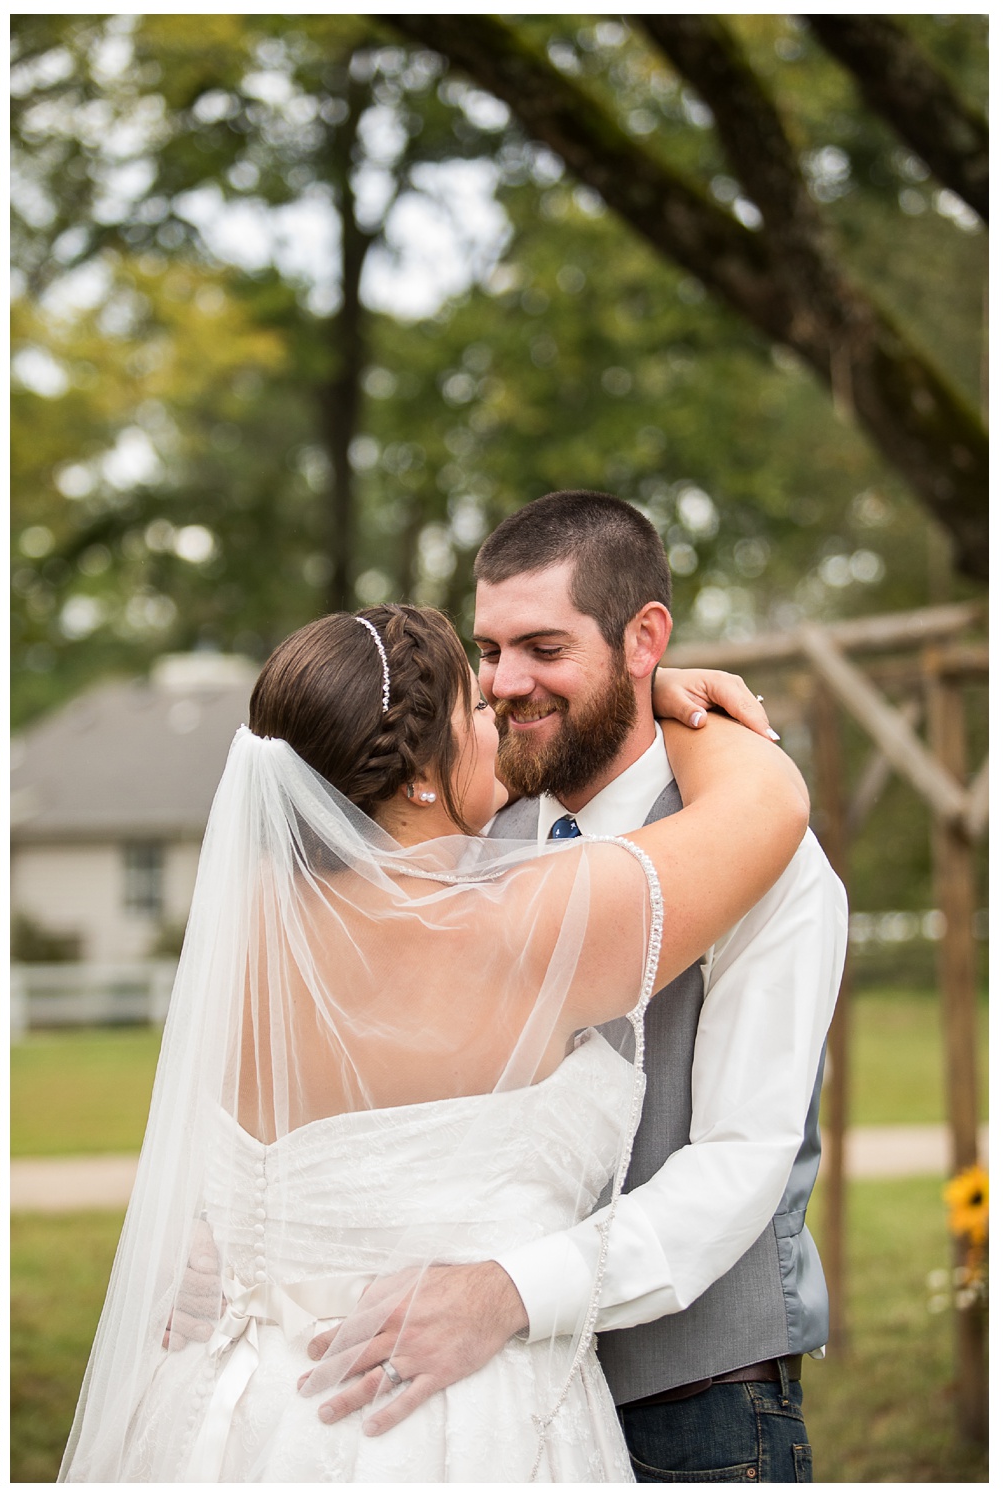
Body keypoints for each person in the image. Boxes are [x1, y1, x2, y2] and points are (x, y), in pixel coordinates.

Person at [59, 598, 815, 1482]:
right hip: (450, 1429)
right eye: (472, 709)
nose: (498, 717)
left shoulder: (250, 939)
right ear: (423, 773)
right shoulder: (521, 928)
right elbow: (772, 800)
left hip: (231, 1415)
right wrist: (657, 696)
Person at [293, 492, 844, 1481]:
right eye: (488, 650)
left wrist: (504, 1294)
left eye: (541, 647)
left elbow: (740, 1160)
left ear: (643, 639)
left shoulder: (765, 853)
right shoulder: (462, 826)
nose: (503, 684)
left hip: (692, 1408)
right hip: (469, 1419)